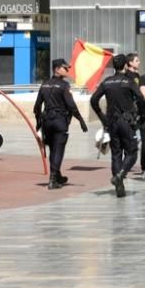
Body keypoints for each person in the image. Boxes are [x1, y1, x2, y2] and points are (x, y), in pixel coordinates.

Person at [91, 54, 145, 197]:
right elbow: (140, 97)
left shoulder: (107, 82)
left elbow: (93, 100)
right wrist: (140, 115)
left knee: (116, 154)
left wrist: (103, 118)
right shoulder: (129, 81)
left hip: (112, 122)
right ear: (126, 66)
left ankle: (119, 187)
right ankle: (120, 176)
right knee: (132, 152)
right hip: (126, 122)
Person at [33, 59, 88, 190]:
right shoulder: (64, 85)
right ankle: (53, 179)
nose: (67, 71)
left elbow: (36, 107)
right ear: (57, 69)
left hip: (47, 122)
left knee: (53, 149)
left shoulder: (44, 85)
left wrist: (38, 122)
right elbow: (71, 105)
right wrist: (80, 120)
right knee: (58, 150)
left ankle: (57, 175)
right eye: (65, 68)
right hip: (59, 121)